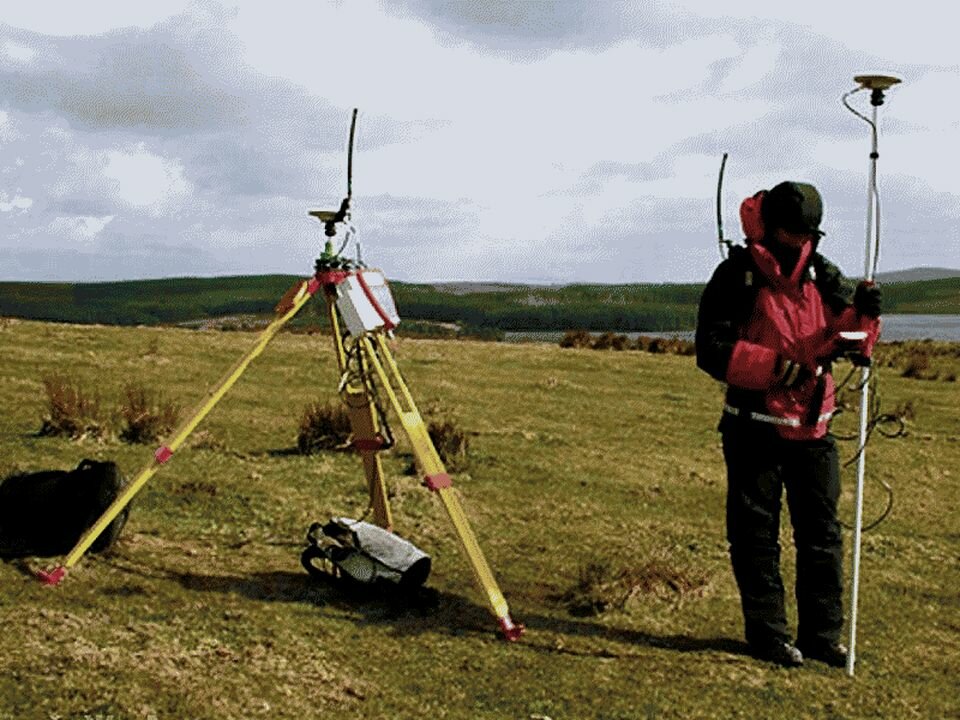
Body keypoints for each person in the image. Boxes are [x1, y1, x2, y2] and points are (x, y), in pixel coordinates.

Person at [695, 181, 882, 667]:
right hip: (752, 427)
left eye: (806, 233)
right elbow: (710, 349)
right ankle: (769, 636)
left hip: (814, 428)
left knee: (822, 536)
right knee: (756, 537)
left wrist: (865, 319)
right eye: (791, 231)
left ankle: (822, 637)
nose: (799, 240)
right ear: (770, 226)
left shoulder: (823, 272)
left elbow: (850, 334)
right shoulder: (736, 275)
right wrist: (778, 368)